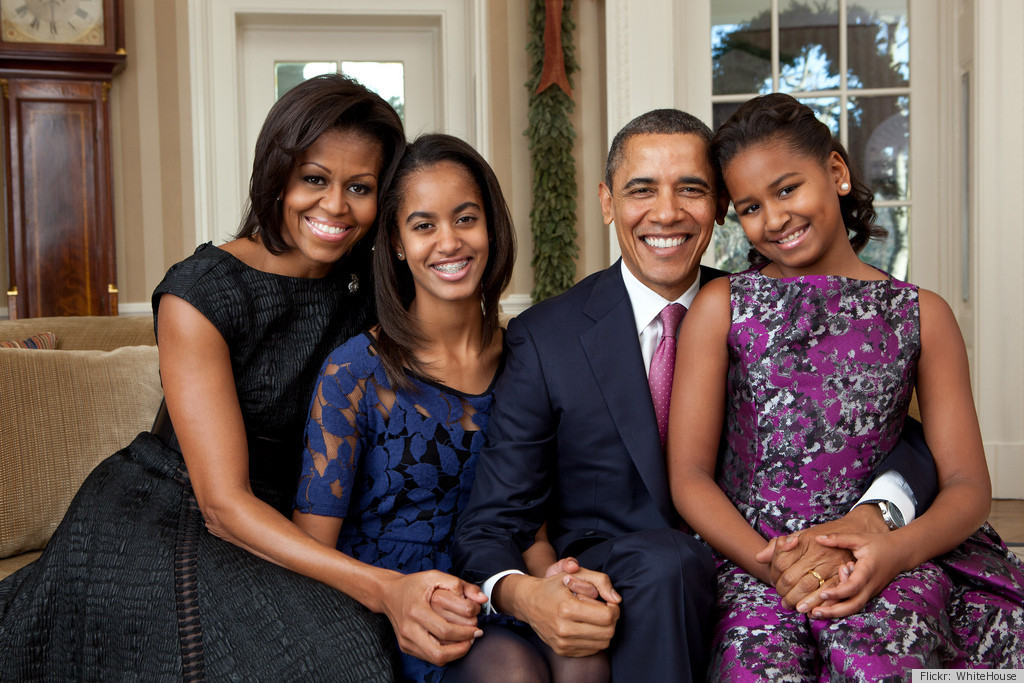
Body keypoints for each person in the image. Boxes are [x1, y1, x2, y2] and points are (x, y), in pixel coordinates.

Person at [451, 108, 943, 683]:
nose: (667, 212)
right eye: (642, 190)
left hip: (769, 558)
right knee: (668, 561)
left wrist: (880, 510)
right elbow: (490, 523)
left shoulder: (765, 304)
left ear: (718, 208)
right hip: (632, 575)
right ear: (608, 202)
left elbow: (884, 425)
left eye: (691, 189)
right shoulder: (546, 337)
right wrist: (527, 593)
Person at [0, 74, 408, 680]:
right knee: (340, 655)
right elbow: (223, 503)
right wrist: (382, 588)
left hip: (287, 519)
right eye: (314, 179)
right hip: (168, 515)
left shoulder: (367, 291)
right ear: (277, 175)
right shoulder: (202, 293)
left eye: (361, 187)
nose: (335, 206)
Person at [668, 92, 1024, 679]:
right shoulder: (722, 306)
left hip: (888, 557)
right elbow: (689, 477)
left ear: (836, 172)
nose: (774, 219)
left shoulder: (922, 314)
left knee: (881, 658)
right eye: (750, 206)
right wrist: (778, 567)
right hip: (757, 559)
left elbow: (967, 486)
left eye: (787, 190)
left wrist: (890, 554)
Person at [292, 133, 608, 683]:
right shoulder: (356, 373)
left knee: (583, 659)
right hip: (397, 609)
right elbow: (312, 549)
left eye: (465, 219)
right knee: (512, 671)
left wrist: (556, 581)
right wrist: (391, 597)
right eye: (423, 225)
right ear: (395, 241)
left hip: (498, 584)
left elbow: (529, 526)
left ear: (491, 226)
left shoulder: (528, 359)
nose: (449, 242)